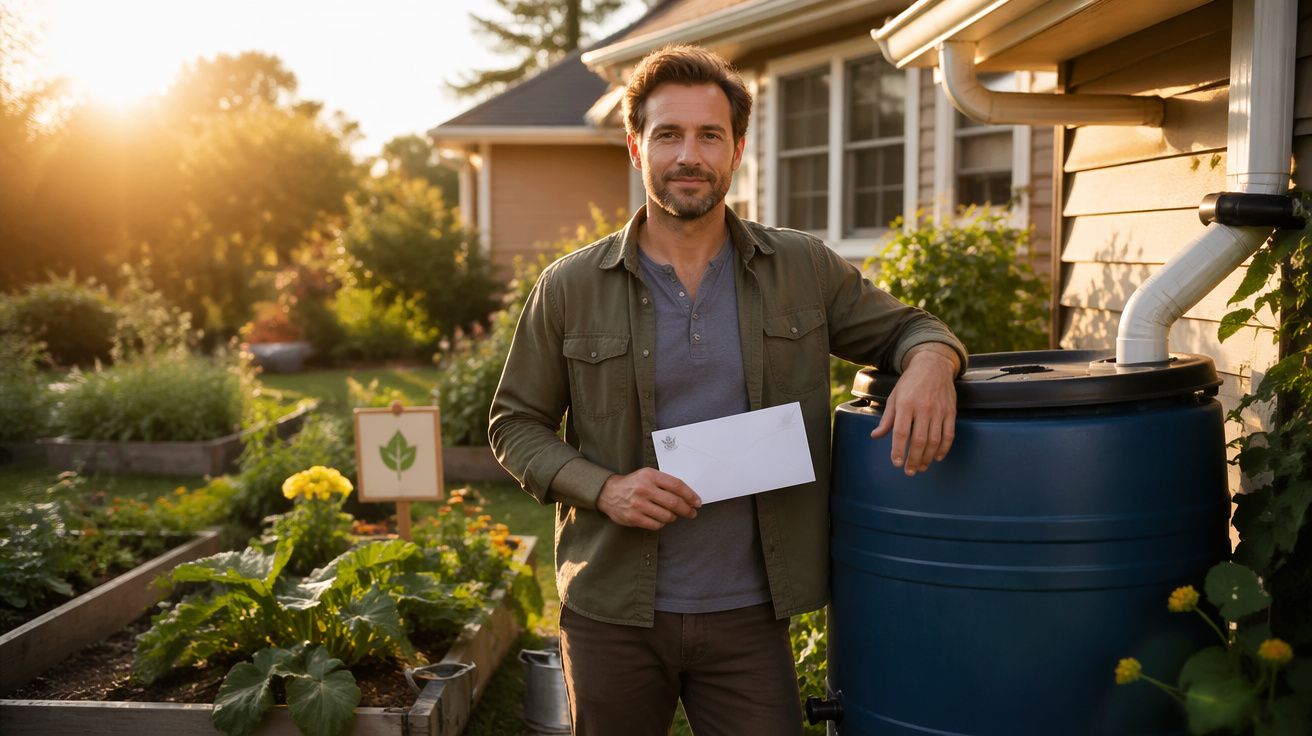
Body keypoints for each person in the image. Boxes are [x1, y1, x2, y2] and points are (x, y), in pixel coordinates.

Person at [489, 44, 966, 736]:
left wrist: (929, 365)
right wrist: (605, 487)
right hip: (612, 611)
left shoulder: (800, 268)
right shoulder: (570, 287)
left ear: (737, 149)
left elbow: (914, 330)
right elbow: (514, 424)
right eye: (669, 134)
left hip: (748, 611)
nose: (690, 155)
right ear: (636, 148)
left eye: (710, 135)